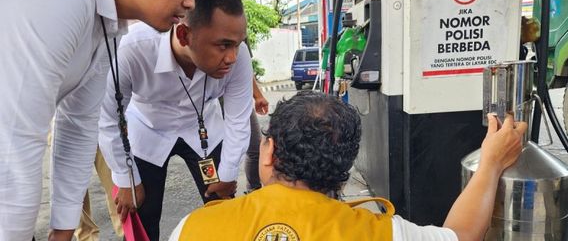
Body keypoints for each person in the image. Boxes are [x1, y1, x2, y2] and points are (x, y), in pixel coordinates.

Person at [0, 0, 212, 240]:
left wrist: (63, 232)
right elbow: (14, 147)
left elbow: (78, 128)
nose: (191, 1)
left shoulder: (104, 21)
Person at [168, 91, 526, 241]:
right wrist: (491, 163)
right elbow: (460, 236)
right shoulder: (383, 232)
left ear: (269, 153)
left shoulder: (192, 228)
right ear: (344, 168)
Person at [99, 0, 253, 241]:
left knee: (223, 211)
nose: (232, 57)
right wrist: (125, 178)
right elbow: (108, 118)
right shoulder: (133, 49)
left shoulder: (237, 59)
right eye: (223, 45)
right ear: (184, 34)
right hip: (148, 130)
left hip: (204, 131)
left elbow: (238, 120)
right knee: (141, 214)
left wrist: (228, 174)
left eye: (238, 44)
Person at [202, 0, 269, 192]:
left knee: (252, 142)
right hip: (199, 98)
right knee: (207, 150)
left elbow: (240, 61)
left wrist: (257, 94)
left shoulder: (235, 9)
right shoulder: (193, 8)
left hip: (230, 89)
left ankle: (253, 190)